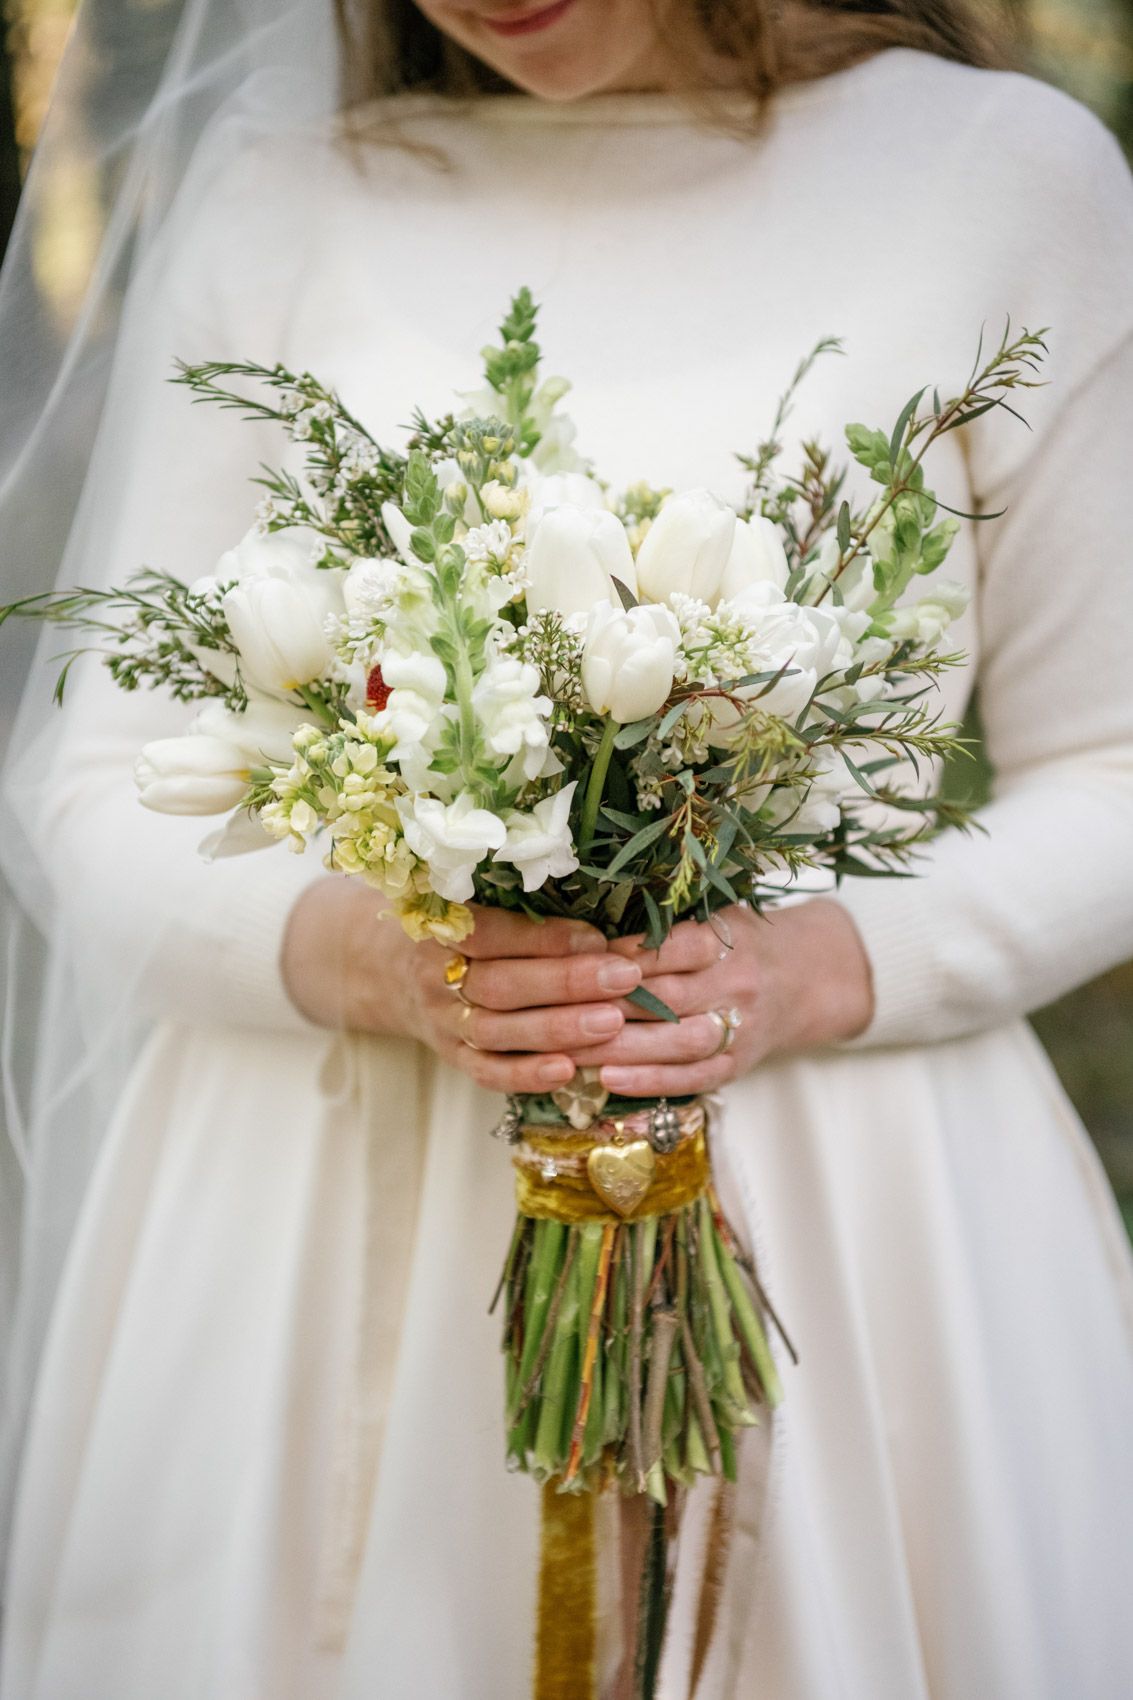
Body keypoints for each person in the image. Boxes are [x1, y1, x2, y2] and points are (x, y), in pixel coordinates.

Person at [2, 0, 1133, 1695]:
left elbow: (1113, 759)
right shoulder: (279, 197)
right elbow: (85, 783)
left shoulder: (998, 177)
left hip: (850, 1196)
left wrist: (814, 967)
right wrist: (366, 953)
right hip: (311, 1217)